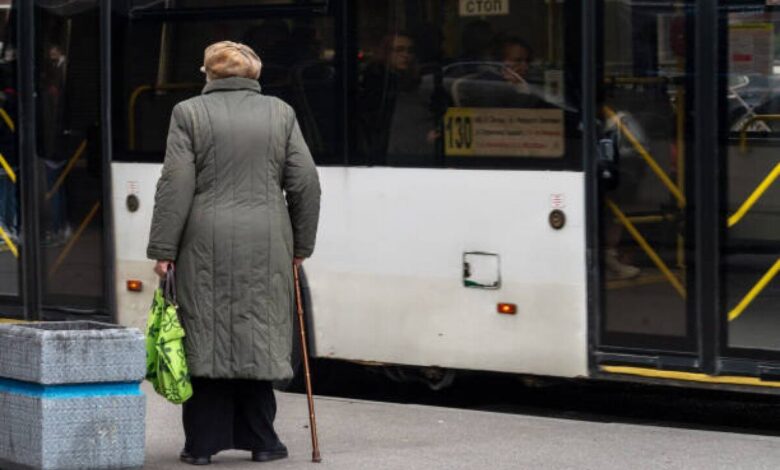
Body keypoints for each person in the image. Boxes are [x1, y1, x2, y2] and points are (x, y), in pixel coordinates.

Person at [146, 41, 321, 466]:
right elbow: (306, 183)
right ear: (254, 74)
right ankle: (264, 442)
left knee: (203, 332)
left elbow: (175, 184)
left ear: (208, 73)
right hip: (268, 238)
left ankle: (201, 446)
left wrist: (164, 249)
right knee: (259, 333)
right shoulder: (280, 113)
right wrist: (301, 245)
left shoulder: (188, 113)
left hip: (203, 238)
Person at [358, 32, 438, 166]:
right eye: (399, 50)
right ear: (386, 53)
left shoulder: (418, 85)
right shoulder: (376, 86)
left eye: (410, 51)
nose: (406, 55)